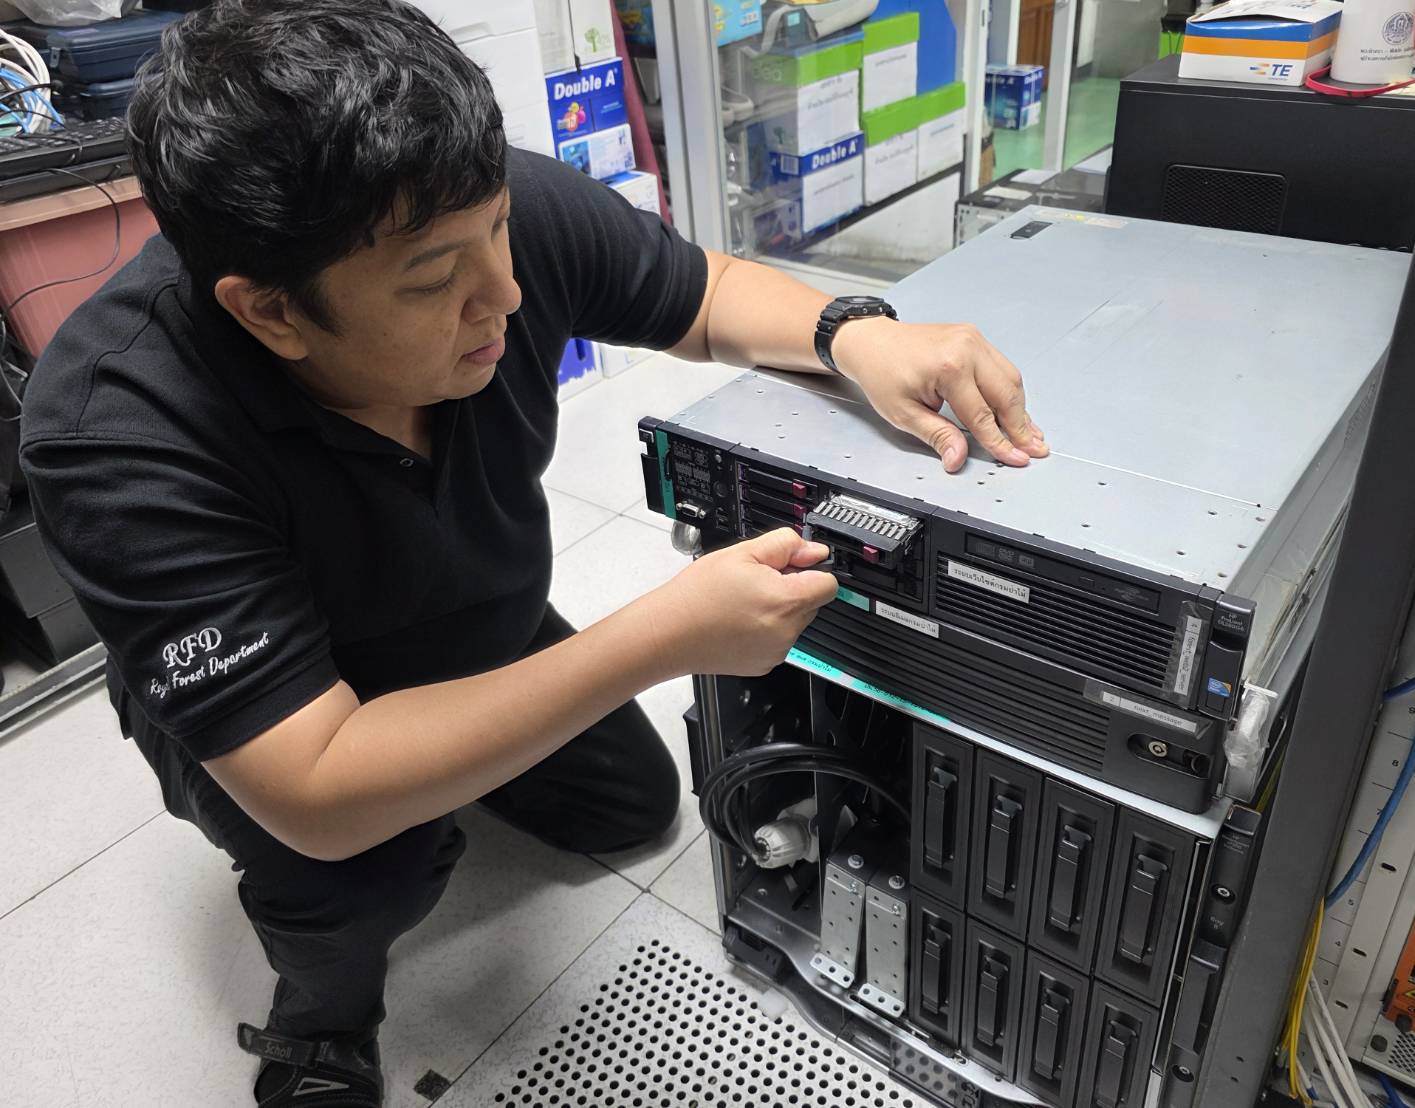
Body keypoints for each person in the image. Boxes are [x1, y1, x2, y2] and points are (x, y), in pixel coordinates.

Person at [18, 2, 1047, 1104]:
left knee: (632, 804)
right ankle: (322, 1022)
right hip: (284, 711)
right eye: (434, 281)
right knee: (364, 859)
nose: (504, 295)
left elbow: (701, 295)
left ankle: (436, 762)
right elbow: (315, 784)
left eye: (500, 233)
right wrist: (663, 636)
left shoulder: (457, 206)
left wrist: (853, 332)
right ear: (271, 313)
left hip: (470, 614)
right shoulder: (117, 427)